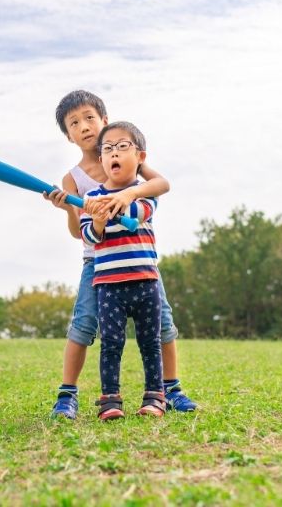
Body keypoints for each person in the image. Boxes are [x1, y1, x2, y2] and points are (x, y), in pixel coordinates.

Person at [44, 90, 197, 419]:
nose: (84, 126)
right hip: (98, 262)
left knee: (163, 326)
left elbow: (161, 184)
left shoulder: (126, 157)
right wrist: (68, 209)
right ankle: (67, 395)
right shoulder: (72, 179)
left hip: (138, 259)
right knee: (84, 325)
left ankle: (171, 390)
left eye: (89, 117)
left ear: (104, 120)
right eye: (74, 123)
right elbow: (77, 232)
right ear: (68, 136)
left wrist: (130, 190)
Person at [80, 121, 169, 418]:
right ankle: (110, 400)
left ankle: (155, 397)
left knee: (150, 342)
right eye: (107, 149)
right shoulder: (91, 198)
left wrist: (119, 201)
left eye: (122, 147)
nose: (113, 153)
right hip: (108, 284)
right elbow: (89, 238)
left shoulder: (144, 193)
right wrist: (98, 221)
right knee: (111, 344)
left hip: (145, 281)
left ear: (140, 157)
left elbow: (140, 212)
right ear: (102, 160)